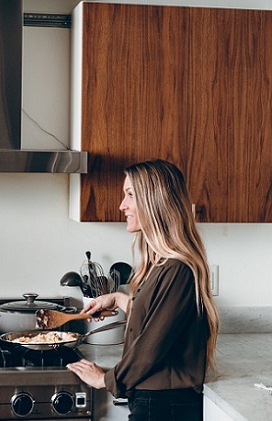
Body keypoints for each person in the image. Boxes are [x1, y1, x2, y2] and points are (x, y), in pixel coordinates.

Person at [67, 159, 220, 421]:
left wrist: (107, 379)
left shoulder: (177, 269)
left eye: (130, 195)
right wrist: (119, 299)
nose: (122, 205)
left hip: (164, 405)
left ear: (155, 202)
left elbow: (151, 346)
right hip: (157, 400)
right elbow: (160, 316)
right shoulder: (163, 265)